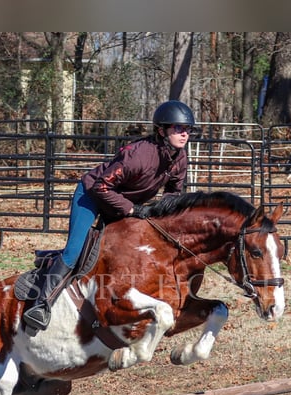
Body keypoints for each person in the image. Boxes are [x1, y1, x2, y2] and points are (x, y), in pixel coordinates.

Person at [22, 100, 197, 333]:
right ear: (161, 130)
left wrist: (161, 215)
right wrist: (133, 210)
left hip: (121, 203)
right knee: (75, 251)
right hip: (91, 195)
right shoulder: (138, 155)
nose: (184, 134)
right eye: (178, 128)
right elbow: (101, 188)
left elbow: (174, 194)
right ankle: (41, 304)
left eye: (187, 129)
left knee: (123, 254)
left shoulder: (180, 158)